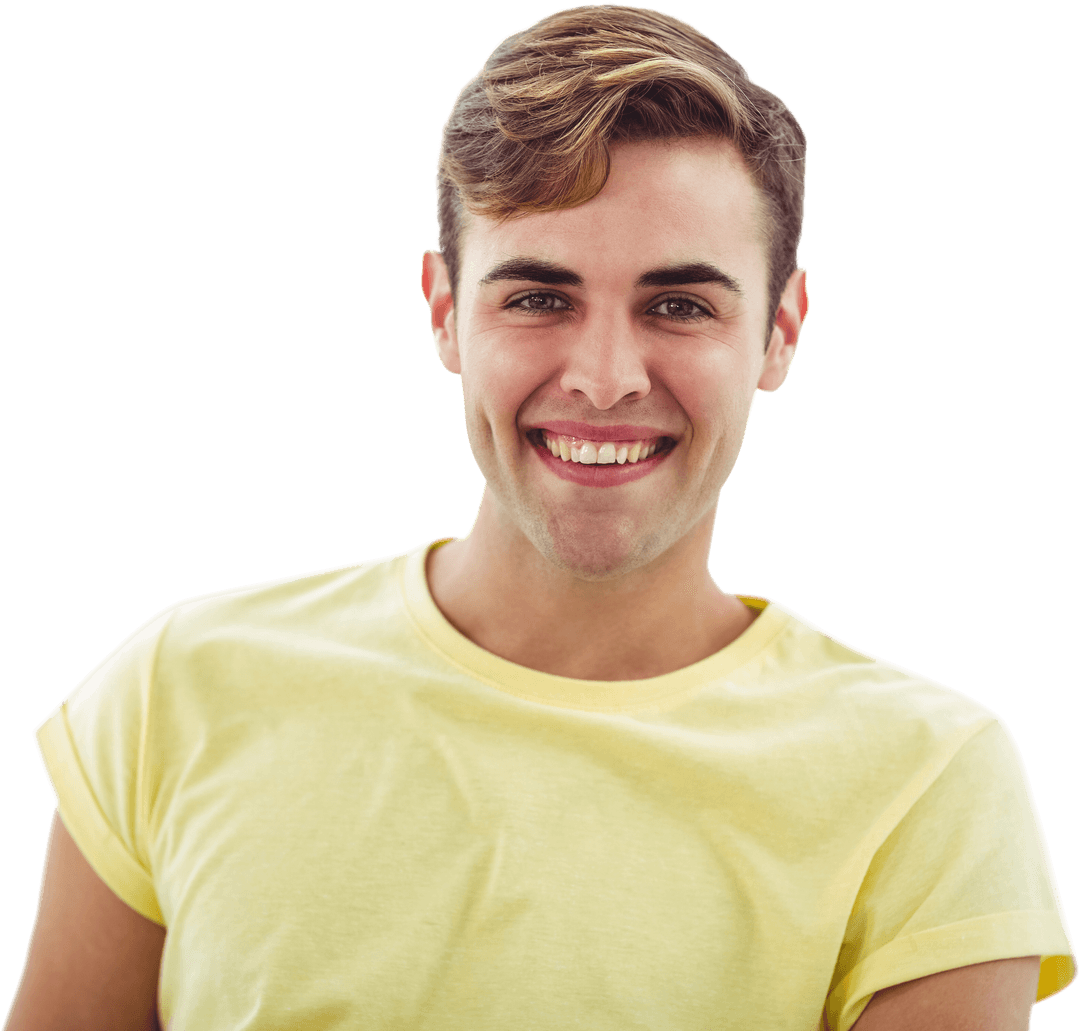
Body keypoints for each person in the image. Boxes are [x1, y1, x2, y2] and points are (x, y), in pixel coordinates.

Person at [6, 5, 1075, 1030]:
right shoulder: (176, 689)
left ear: (781, 331)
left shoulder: (929, 777)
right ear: (444, 312)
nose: (605, 379)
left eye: (680, 304)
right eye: (537, 296)